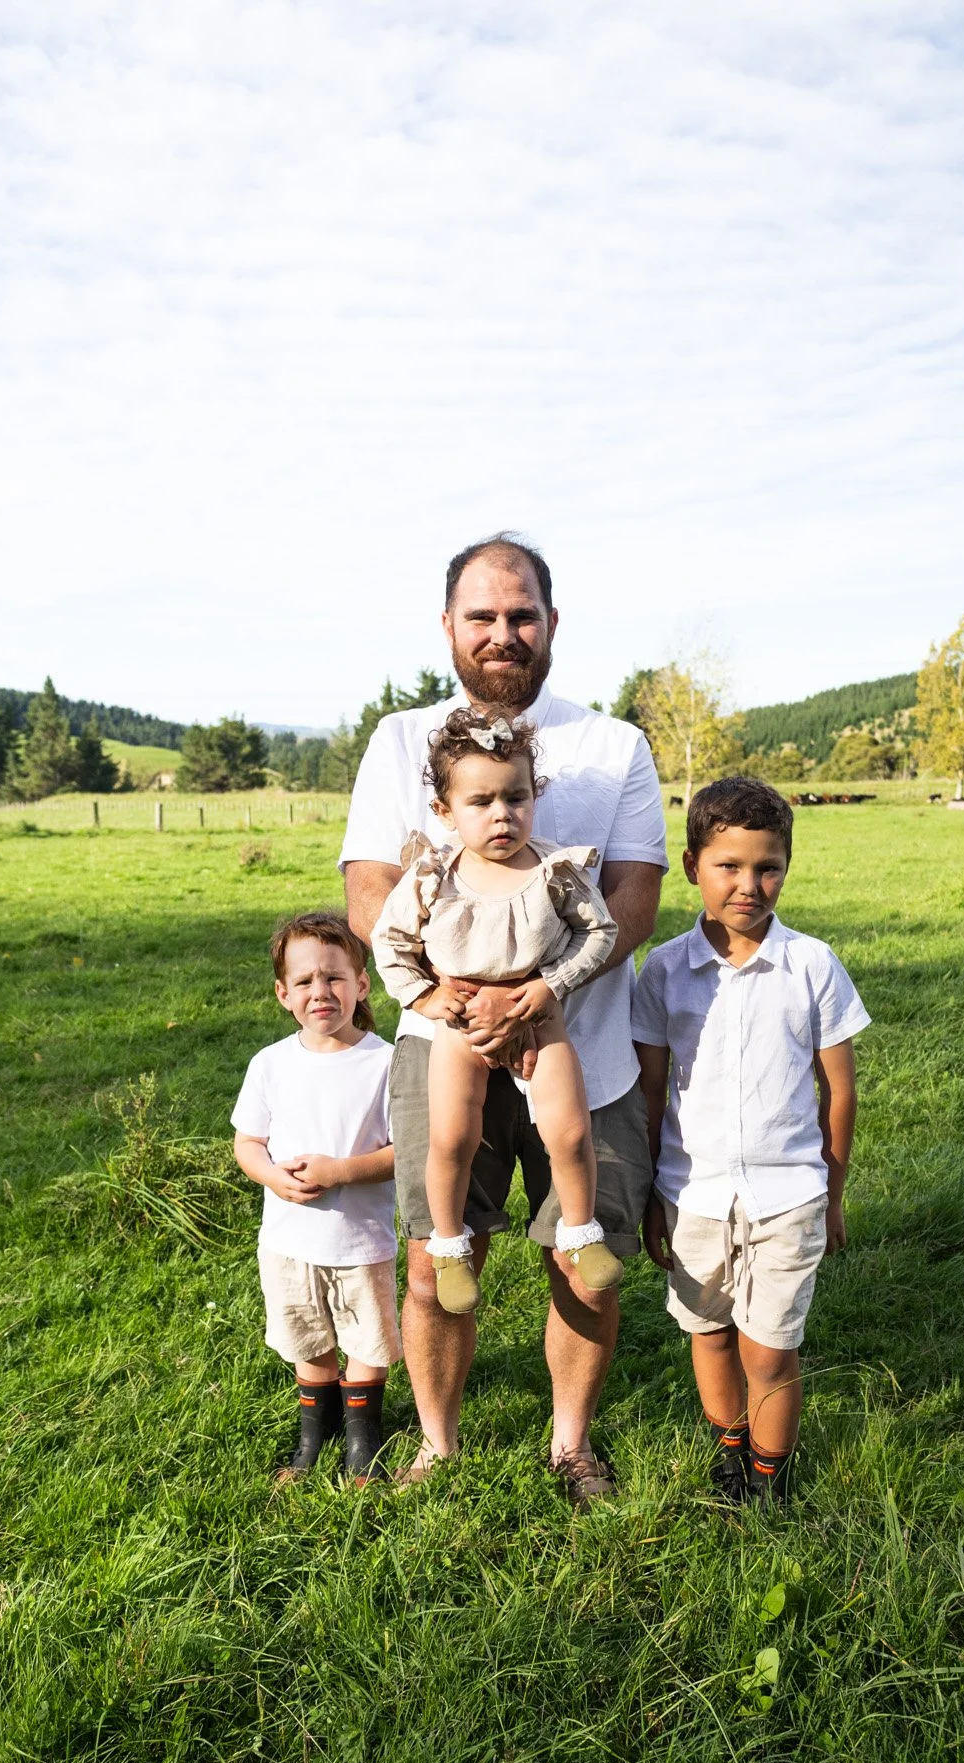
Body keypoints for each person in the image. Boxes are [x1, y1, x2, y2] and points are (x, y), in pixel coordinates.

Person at [341, 533, 667, 1502]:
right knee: (442, 1246)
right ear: (448, 627)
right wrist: (448, 1000)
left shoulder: (615, 746)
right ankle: (439, 1441)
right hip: (441, 1037)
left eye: (521, 614)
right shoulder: (403, 741)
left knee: (586, 1248)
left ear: (553, 623)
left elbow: (635, 894)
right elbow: (371, 890)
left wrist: (542, 993)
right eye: (481, 616)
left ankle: (572, 1440)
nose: (502, 633)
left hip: (582, 1038)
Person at [632, 777, 870, 1507]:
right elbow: (648, 1092)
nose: (748, 884)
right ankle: (730, 1450)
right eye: (728, 866)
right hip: (691, 1193)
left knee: (768, 1350)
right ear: (690, 864)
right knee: (707, 1333)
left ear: (786, 867)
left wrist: (830, 1199)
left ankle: (769, 1477)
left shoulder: (811, 965)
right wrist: (648, 1197)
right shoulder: (664, 972)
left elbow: (840, 1092)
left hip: (788, 1194)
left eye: (766, 867)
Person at [372, 706, 621, 1314]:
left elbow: (601, 933)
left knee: (567, 1128)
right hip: (458, 1025)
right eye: (480, 802)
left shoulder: (554, 871)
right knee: (452, 1135)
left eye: (515, 798)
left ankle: (580, 1231)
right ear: (445, 811)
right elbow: (389, 941)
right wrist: (427, 996)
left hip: (540, 1013)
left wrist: (551, 985)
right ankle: (449, 1244)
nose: (501, 815)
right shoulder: (435, 876)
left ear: (533, 796)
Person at [231, 911, 400, 1487]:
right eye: (304, 982)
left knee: (365, 1337)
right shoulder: (271, 1064)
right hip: (287, 1241)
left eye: (334, 977)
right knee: (308, 1335)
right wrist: (273, 1178)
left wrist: (343, 1171)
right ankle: (313, 1436)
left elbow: (408, 1151)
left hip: (360, 1239)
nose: (320, 992)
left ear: (362, 984)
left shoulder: (384, 1062)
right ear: (283, 994)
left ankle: (363, 1443)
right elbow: (248, 1143)